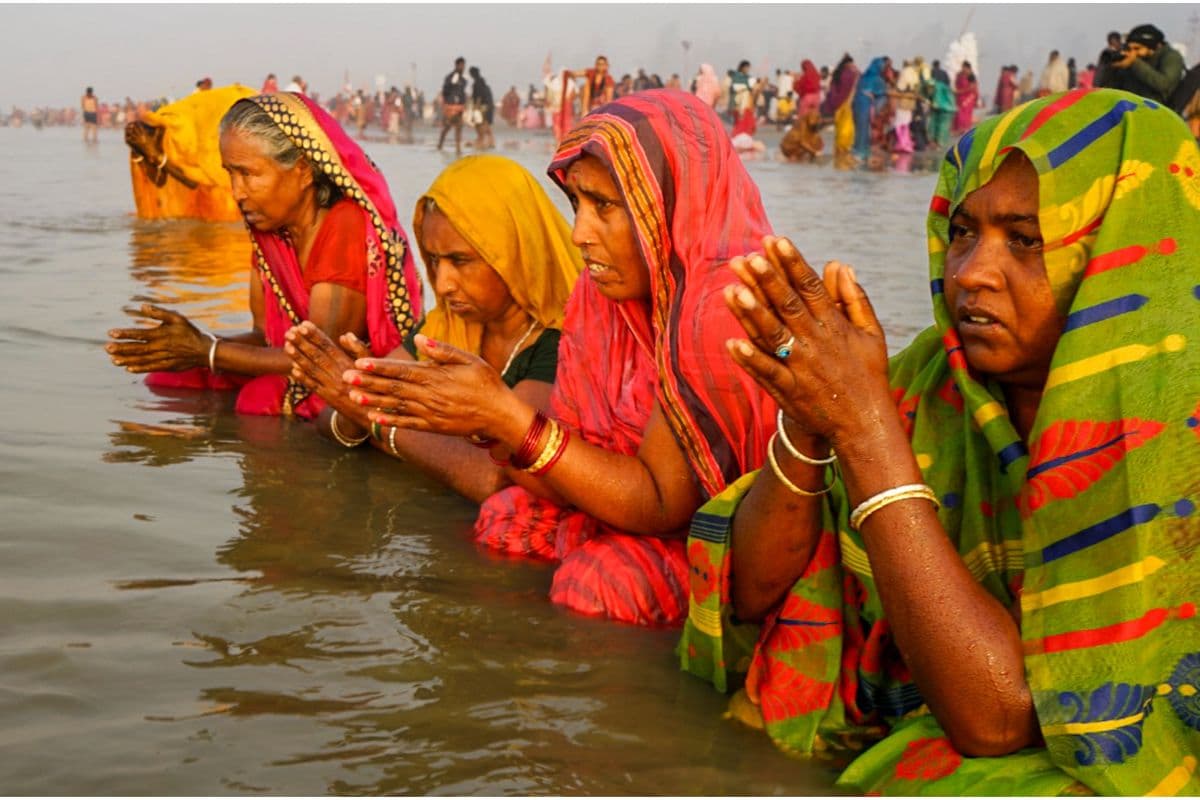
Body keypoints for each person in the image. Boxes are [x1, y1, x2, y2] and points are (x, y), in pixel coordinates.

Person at [680, 88, 1200, 793]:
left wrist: (866, 436)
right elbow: (748, 593)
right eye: (962, 232)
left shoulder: (1176, 424)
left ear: (1120, 254)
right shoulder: (926, 385)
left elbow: (998, 722)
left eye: (1025, 239)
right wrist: (815, 416)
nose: (972, 273)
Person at [339, 91, 777, 626]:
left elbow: (662, 503)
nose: (579, 234)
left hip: (720, 542)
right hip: (617, 505)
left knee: (599, 583)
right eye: (576, 205)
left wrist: (503, 418)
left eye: (605, 206)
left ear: (671, 202)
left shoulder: (721, 306)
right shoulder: (599, 303)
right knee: (505, 521)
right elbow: (566, 457)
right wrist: (485, 423)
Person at [107, 92, 422, 418]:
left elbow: (322, 357)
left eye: (248, 174)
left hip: (341, 374)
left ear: (302, 170)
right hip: (297, 361)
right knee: (169, 378)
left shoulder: (344, 225)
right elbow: (263, 337)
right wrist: (184, 348)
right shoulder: (269, 231)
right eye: (230, 173)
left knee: (257, 401)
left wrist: (207, 350)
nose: (237, 192)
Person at [286, 155, 580, 501]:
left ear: (515, 251)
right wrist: (362, 396)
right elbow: (331, 422)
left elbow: (493, 477)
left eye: (460, 261)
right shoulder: (445, 324)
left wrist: (371, 414)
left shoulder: (563, 341)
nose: (442, 285)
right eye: (435, 260)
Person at [1107, 24, 1186, 105]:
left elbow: (1164, 84)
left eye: (1137, 48)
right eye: (1130, 48)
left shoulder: (1171, 57)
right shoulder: (1138, 61)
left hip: (1161, 111)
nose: (1133, 52)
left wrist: (1135, 63)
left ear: (1153, 47)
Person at [821, 54, 859, 165]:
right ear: (848, 63)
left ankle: (839, 153)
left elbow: (835, 90)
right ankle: (843, 154)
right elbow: (848, 89)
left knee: (841, 129)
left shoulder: (839, 72)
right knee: (847, 130)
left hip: (838, 105)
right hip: (845, 105)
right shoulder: (849, 74)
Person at [852, 57, 887, 160]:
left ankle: (857, 149)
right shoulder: (878, 79)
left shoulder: (863, 77)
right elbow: (882, 94)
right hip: (866, 104)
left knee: (858, 127)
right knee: (864, 128)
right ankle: (861, 152)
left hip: (857, 103)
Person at [437, 57, 468, 156]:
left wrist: (464, 103)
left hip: (460, 106)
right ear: (457, 65)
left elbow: (462, 92)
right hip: (451, 106)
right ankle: (440, 145)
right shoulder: (450, 77)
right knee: (447, 127)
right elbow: (445, 90)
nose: (463, 67)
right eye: (461, 65)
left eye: (464, 65)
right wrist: (451, 85)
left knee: (459, 127)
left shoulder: (463, 79)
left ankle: (458, 149)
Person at [468, 66, 495, 151]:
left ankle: (481, 142)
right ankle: (491, 142)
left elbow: (478, 97)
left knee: (479, 125)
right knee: (485, 124)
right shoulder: (484, 84)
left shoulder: (477, 83)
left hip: (481, 107)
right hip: (488, 106)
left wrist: (475, 109)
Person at [952, 60, 978, 134]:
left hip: (968, 97)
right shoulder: (960, 74)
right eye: (962, 67)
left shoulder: (971, 75)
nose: (963, 69)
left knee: (965, 113)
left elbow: (972, 87)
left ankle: (965, 128)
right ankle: (959, 129)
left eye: (964, 67)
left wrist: (960, 91)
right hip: (960, 97)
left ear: (968, 68)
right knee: (958, 113)